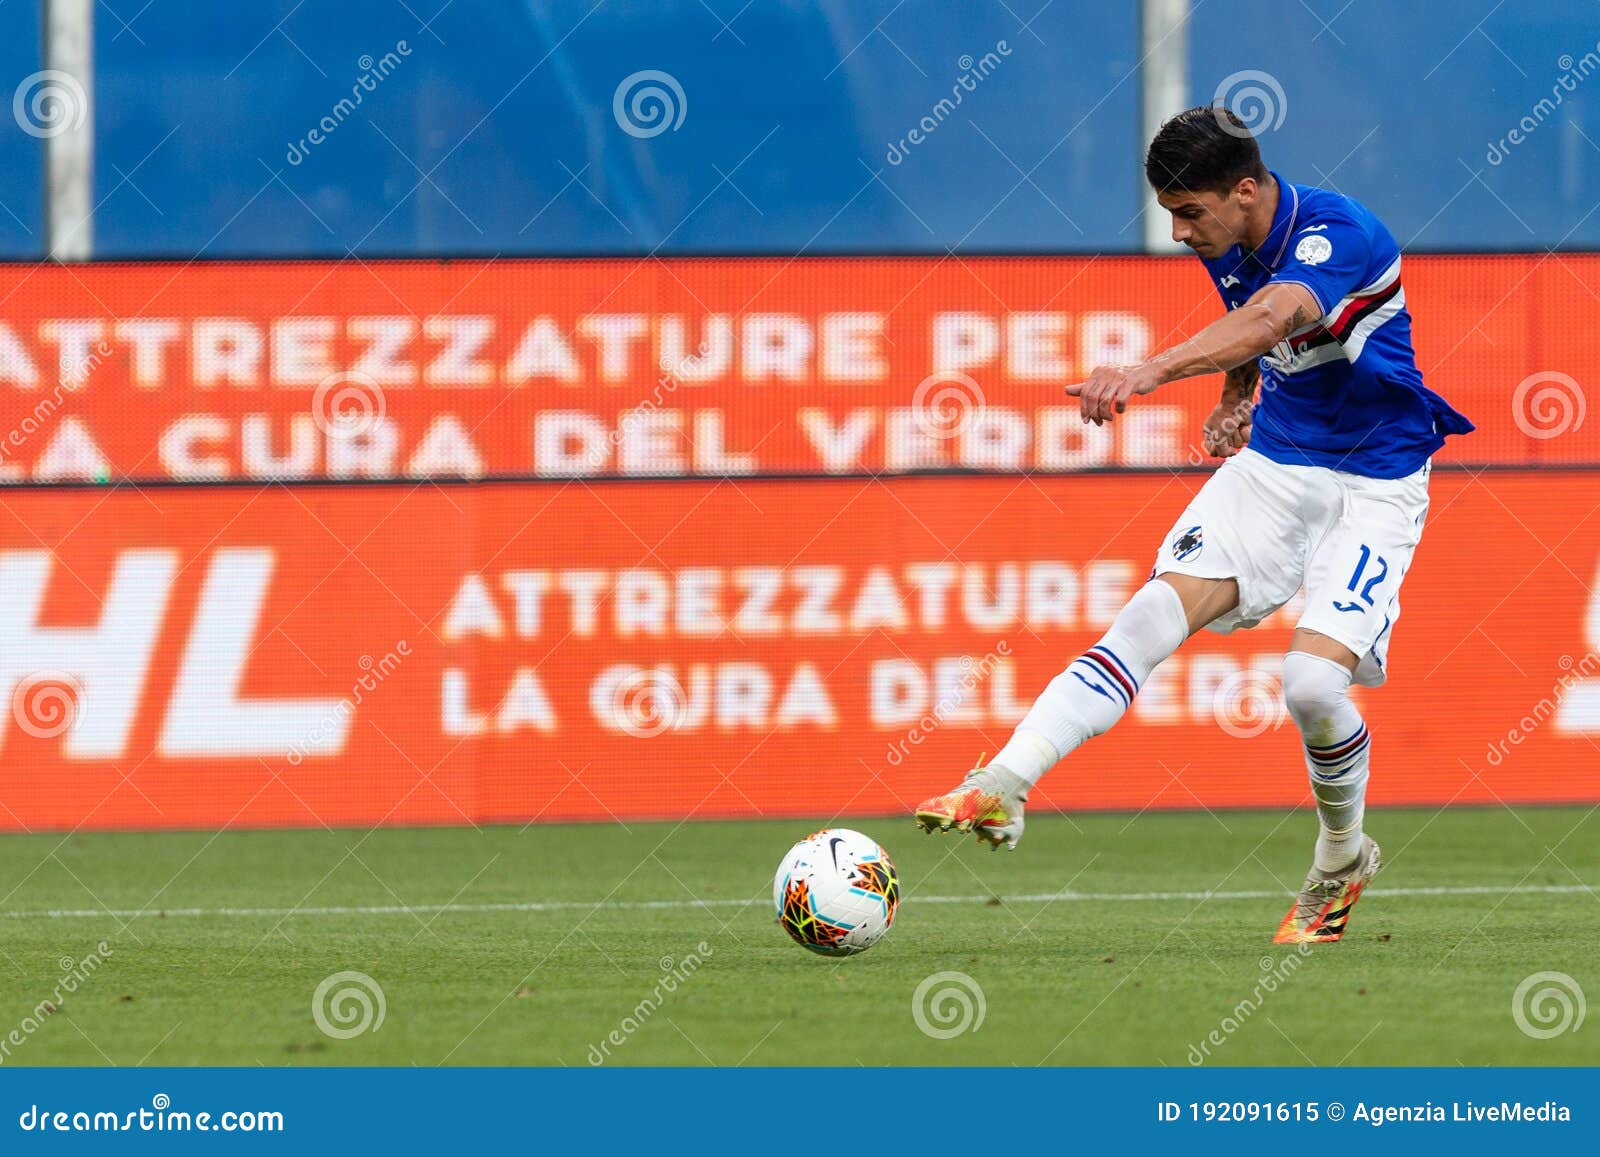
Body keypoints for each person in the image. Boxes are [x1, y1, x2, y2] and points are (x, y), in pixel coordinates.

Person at [913, 105, 1473, 944]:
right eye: (1170, 214)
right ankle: (1005, 776)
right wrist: (1234, 397)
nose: (1177, 232)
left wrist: (1149, 371)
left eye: (1188, 213)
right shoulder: (1231, 241)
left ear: (1245, 190)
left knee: (1314, 687)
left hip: (1375, 480)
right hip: (1278, 466)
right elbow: (1255, 335)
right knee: (1147, 614)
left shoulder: (1337, 233)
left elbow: (1271, 317)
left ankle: (1341, 858)